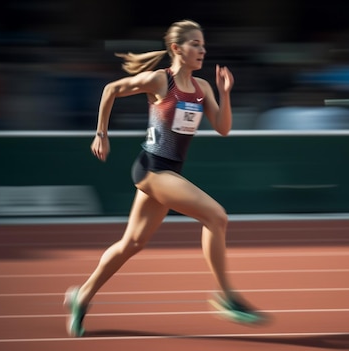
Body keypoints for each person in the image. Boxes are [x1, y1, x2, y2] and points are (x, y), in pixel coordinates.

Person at [63, 19, 265, 337]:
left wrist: (225, 94)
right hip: (153, 169)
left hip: (169, 172)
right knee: (216, 216)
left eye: (203, 44)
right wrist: (101, 133)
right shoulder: (161, 81)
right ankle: (226, 296)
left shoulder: (203, 89)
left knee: (132, 243)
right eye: (195, 44)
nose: (202, 49)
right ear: (176, 48)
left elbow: (223, 128)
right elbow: (111, 89)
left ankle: (81, 296)